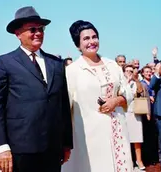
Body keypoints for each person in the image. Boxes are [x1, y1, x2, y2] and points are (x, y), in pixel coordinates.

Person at [0, 6, 73, 172]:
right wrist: (2, 146)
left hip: (52, 149)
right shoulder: (4, 63)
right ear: (18, 34)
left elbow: (63, 106)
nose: (38, 33)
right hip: (20, 149)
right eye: (32, 29)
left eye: (41, 29)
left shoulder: (56, 63)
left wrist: (66, 143)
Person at [62, 20, 133, 172]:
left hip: (118, 132)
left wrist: (117, 100)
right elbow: (65, 108)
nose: (92, 41)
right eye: (86, 39)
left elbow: (128, 91)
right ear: (77, 45)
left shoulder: (112, 65)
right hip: (88, 137)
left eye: (94, 37)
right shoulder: (72, 71)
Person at [123, 64, 150, 170]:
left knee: (137, 138)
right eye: (127, 70)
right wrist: (127, 82)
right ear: (124, 72)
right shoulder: (121, 83)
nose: (129, 72)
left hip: (135, 112)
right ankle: (128, 160)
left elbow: (140, 92)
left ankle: (139, 160)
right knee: (125, 138)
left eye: (131, 71)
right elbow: (120, 93)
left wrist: (136, 80)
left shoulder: (136, 83)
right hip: (123, 113)